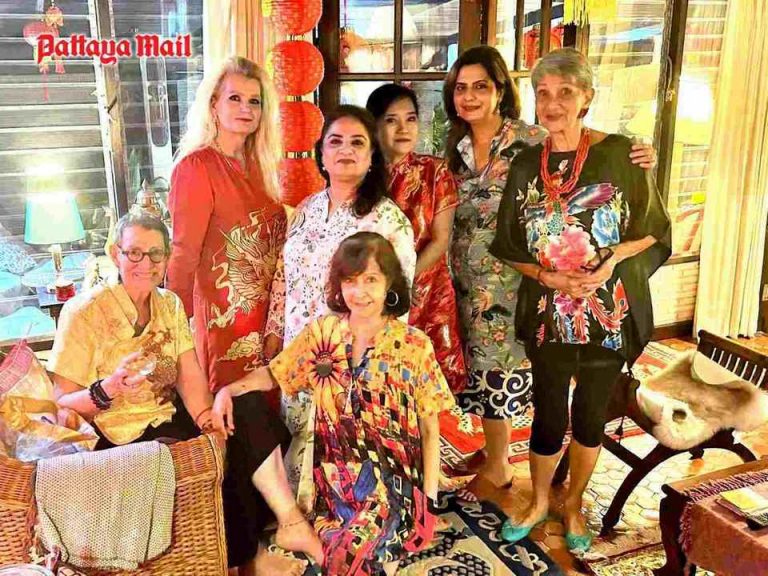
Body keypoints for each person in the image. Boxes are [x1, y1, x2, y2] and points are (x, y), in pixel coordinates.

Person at [49, 213, 323, 575]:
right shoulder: (82, 312)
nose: (146, 264)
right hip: (115, 436)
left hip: (166, 414)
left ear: (166, 259)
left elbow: (189, 375)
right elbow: (62, 405)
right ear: (115, 254)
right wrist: (109, 388)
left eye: (156, 254)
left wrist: (208, 420)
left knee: (242, 415)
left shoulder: (169, 304)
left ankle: (288, 525)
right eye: (134, 253)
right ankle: (235, 560)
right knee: (192, 456)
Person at [443, 45, 657, 491]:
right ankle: (497, 452)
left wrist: (640, 154)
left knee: (520, 377)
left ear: (501, 91)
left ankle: (506, 463)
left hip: (526, 282)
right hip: (472, 280)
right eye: (460, 88)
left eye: (481, 86)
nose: (469, 96)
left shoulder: (530, 139)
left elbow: (584, 150)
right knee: (485, 372)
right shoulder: (453, 147)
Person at [489, 48, 671, 553]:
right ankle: (539, 501)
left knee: (590, 415)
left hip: (608, 312)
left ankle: (573, 505)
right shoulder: (527, 163)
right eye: (543, 93)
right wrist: (547, 276)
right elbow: (508, 243)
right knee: (548, 413)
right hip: (549, 312)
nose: (552, 104)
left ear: (587, 97)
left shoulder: (621, 153)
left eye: (565, 92)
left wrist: (612, 260)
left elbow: (654, 229)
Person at [216, 232, 454, 576]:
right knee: (351, 562)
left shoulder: (415, 345)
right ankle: (313, 538)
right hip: (335, 487)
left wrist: (427, 503)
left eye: (371, 279)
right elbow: (276, 373)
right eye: (350, 281)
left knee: (360, 563)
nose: (360, 292)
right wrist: (228, 391)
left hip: (395, 489)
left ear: (389, 282)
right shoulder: (323, 334)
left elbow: (431, 430)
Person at [266, 105, 416, 499]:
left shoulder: (388, 221)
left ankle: (350, 521)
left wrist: (368, 365)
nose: (345, 150)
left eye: (357, 143)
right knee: (299, 443)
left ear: (372, 156)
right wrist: (274, 335)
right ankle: (299, 515)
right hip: (297, 351)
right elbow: (284, 276)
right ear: (321, 154)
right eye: (335, 141)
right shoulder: (305, 210)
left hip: (351, 362)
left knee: (346, 458)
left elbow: (397, 303)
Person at [166, 56, 286, 394]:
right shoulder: (196, 168)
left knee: (270, 408)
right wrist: (174, 330)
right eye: (235, 98)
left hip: (271, 317)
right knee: (231, 409)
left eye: (254, 101)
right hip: (223, 321)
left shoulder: (263, 165)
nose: (245, 108)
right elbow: (183, 254)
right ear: (213, 105)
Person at [365, 83, 467, 395]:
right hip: (372, 296)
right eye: (391, 120)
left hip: (428, 290)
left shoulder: (435, 171)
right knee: (380, 384)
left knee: (431, 390)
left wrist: (401, 282)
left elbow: (440, 240)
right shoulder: (362, 173)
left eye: (410, 119)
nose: (403, 128)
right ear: (373, 125)